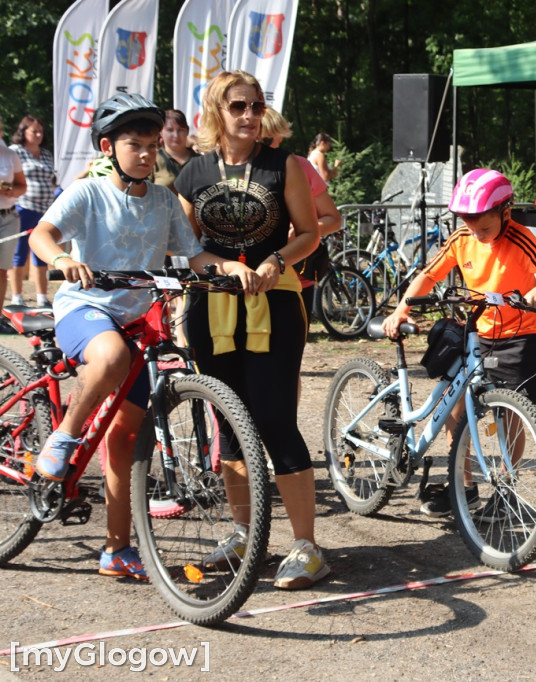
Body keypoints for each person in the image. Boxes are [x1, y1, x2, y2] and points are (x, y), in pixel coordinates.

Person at [27, 93, 254, 581]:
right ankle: (64, 437)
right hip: (85, 309)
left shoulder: (164, 202)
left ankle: (116, 549)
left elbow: (194, 257)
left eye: (153, 145)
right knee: (108, 357)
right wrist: (62, 259)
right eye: (136, 145)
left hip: (137, 322)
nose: (148, 155)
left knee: (127, 437)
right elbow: (40, 235)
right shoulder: (87, 192)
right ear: (108, 146)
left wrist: (228, 266)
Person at [174, 70, 327, 590]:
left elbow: (309, 232)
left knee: (274, 418)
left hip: (274, 304)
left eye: (256, 106)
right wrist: (222, 266)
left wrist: (276, 261)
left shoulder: (282, 164)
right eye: (238, 106)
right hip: (211, 308)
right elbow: (186, 247)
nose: (249, 116)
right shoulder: (193, 173)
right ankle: (243, 536)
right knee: (230, 424)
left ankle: (306, 546)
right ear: (218, 110)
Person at [381, 168, 536, 516]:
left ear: (505, 213)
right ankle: (463, 489)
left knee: (509, 417)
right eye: (470, 226)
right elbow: (429, 274)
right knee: (455, 412)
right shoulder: (461, 239)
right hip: (478, 334)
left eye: (485, 227)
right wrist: (402, 310)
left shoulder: (521, 238)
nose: (477, 235)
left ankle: (508, 491)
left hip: (520, 336)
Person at [261, 107, 341, 319]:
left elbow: (333, 220)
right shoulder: (224, 168)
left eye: (268, 137)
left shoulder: (299, 165)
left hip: (294, 279)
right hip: (241, 281)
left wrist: (300, 232)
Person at [9, 116, 57, 307]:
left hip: (45, 210)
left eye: (40, 131)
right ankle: (17, 297)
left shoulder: (46, 153)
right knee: (19, 253)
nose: (38, 135)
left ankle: (42, 298)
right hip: (23, 207)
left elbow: (52, 179)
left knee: (42, 253)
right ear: (23, 132)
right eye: (33, 131)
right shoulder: (16, 152)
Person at [0, 119, 27, 308]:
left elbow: (21, 185)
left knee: (1, 270)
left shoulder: (10, 155)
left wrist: (12, 190)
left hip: (8, 217)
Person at [151, 109, 197, 191]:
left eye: (180, 130)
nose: (176, 135)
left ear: (187, 131)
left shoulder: (201, 161)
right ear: (161, 132)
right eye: (170, 130)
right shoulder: (153, 160)